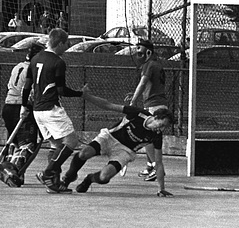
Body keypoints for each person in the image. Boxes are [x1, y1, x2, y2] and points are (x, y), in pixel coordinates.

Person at [59, 85, 174, 196]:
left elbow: (158, 163)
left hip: (125, 151)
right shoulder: (138, 114)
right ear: (155, 117)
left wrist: (161, 189)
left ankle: (89, 179)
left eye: (165, 127)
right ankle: (69, 177)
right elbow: (108, 105)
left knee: (104, 178)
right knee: (84, 153)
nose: (162, 128)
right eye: (162, 124)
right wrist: (86, 96)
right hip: (110, 138)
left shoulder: (156, 136)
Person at [20, 28, 84, 193]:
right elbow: (61, 90)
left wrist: (23, 106)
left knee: (56, 145)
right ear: (60, 43)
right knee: (71, 141)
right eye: (67, 44)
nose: (67, 47)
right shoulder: (58, 62)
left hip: (37, 110)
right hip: (51, 109)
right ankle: (48, 173)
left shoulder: (35, 59)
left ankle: (53, 184)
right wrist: (81, 93)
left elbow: (27, 87)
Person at [0, 44, 42, 187]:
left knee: (14, 141)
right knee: (28, 144)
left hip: (8, 106)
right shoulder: (34, 69)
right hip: (20, 107)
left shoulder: (18, 66)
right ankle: (12, 171)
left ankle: (12, 170)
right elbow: (30, 89)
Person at [125, 39, 168, 182]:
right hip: (158, 104)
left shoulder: (149, 65)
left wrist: (132, 102)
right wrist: (136, 96)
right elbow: (151, 86)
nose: (138, 52)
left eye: (140, 49)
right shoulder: (157, 65)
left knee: (148, 137)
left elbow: (143, 83)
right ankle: (150, 165)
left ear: (148, 52)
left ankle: (156, 166)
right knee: (148, 136)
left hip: (154, 105)